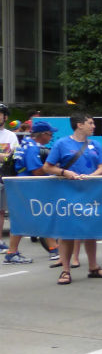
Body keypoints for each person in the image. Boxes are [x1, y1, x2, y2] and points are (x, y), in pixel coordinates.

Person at [43, 112, 102, 285]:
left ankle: (93, 267)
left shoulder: (96, 145)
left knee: (90, 232)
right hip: (67, 194)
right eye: (90, 123)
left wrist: (90, 176)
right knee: (66, 233)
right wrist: (65, 172)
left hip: (91, 193)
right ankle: (65, 271)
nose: (94, 126)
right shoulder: (61, 144)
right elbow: (47, 167)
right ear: (79, 125)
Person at [5, 121, 58, 264]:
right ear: (43, 134)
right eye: (50, 134)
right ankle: (12, 253)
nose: (51, 136)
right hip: (29, 187)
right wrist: (52, 168)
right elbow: (36, 171)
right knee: (35, 217)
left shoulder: (25, 144)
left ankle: (53, 249)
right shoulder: (33, 148)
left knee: (36, 217)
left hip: (23, 186)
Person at [0, 103, 20, 252]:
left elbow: (15, 155)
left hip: (3, 177)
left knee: (1, 211)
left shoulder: (10, 135)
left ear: (5, 117)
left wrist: (5, 157)